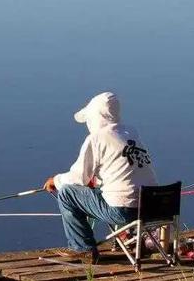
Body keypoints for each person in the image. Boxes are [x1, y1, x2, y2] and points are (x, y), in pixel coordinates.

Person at [43, 92, 157, 263]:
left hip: (124, 210)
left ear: (95, 117)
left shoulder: (96, 138)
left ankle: (82, 249)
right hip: (153, 208)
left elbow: (78, 177)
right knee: (99, 191)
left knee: (67, 193)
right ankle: (134, 238)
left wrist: (55, 180)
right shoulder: (130, 133)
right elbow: (123, 170)